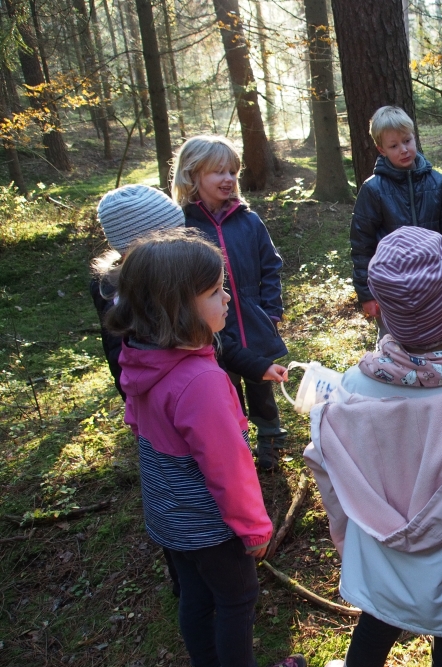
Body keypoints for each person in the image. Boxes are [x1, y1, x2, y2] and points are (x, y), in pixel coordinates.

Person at [305, 226, 442, 667]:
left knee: (374, 629)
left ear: (386, 310)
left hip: (379, 571)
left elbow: (331, 481)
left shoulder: (347, 391)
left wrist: (349, 545)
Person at [106, 229, 305, 667]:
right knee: (238, 597)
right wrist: (254, 529)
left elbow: (136, 419)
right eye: (216, 292)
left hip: (168, 515)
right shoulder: (201, 382)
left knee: (196, 594)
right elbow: (228, 468)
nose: (228, 299)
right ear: (177, 309)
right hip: (210, 525)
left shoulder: (143, 355)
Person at [90, 183, 188, 597]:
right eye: (172, 237)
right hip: (159, 404)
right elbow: (124, 363)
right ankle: (187, 574)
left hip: (182, 395)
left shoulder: (155, 276)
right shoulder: (123, 294)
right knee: (175, 478)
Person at [172, 135, 290, 472]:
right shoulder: (183, 226)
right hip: (209, 325)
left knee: (261, 381)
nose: (228, 179)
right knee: (223, 390)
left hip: (253, 317)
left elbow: (271, 264)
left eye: (233, 172)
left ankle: (270, 439)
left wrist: (271, 310)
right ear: (193, 176)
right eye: (217, 172)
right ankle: (233, 444)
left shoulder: (248, 220)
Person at [350, 105, 442, 329]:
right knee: (393, 349)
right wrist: (366, 295)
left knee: (437, 347)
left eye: (407, 141)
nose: (403, 149)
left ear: (415, 138)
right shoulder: (373, 190)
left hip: (433, 284)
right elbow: (361, 245)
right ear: (381, 149)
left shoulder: (437, 183)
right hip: (390, 287)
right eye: (394, 146)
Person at [91, 184, 187, 400]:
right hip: (157, 400)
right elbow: (122, 359)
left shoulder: (169, 274)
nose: (184, 243)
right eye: (174, 237)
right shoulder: (120, 296)